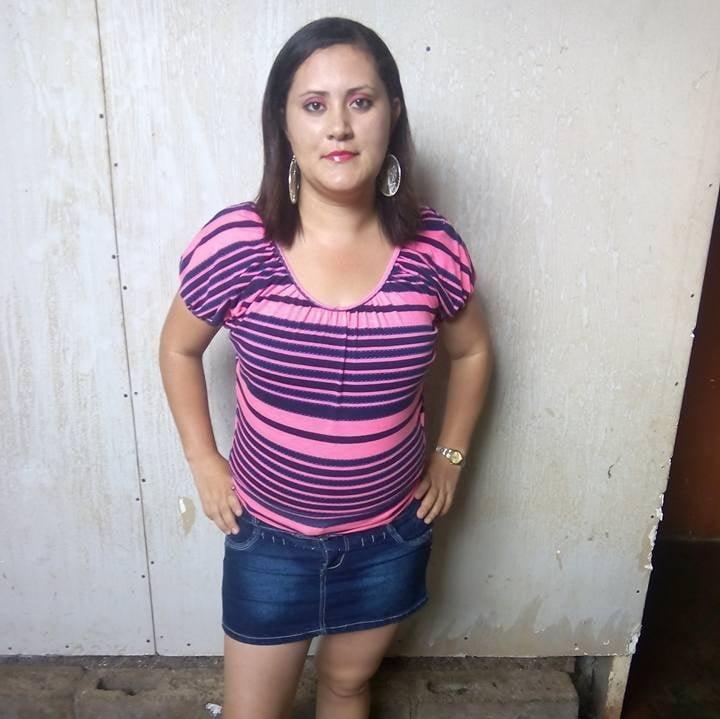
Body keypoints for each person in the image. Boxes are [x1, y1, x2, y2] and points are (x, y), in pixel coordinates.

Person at [158, 16, 492, 719]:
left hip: (389, 535)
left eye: (360, 101)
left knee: (346, 685)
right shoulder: (238, 243)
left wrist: (451, 456)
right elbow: (178, 347)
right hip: (270, 539)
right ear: (283, 123)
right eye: (314, 105)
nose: (338, 126)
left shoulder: (434, 249)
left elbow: (473, 352)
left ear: (391, 112)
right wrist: (203, 459)